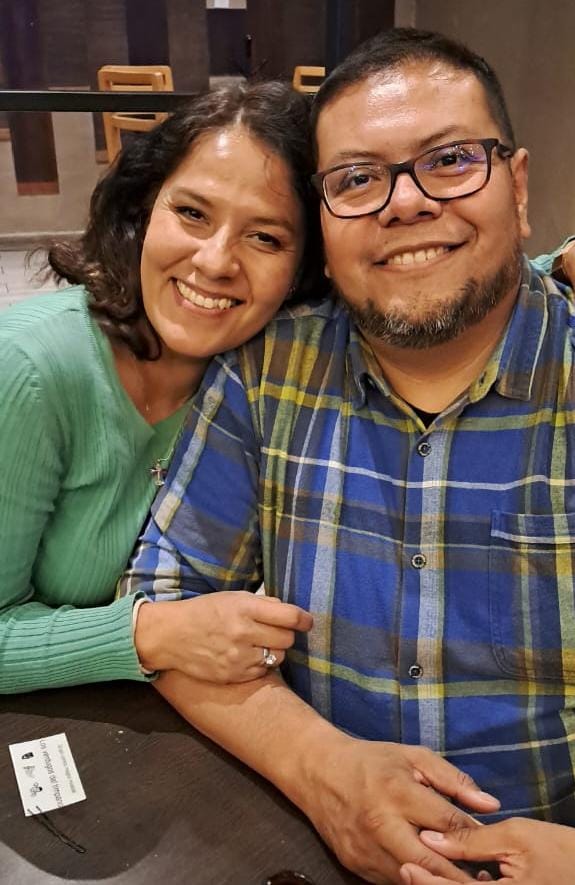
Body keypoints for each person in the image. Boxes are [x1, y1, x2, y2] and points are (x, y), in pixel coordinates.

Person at [119, 28, 575, 885]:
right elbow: (170, 599)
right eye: (357, 179)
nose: (403, 203)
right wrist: (320, 766)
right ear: (322, 231)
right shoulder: (269, 369)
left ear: (516, 187)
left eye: (449, 160)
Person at [0, 80, 322, 695]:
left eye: (265, 237)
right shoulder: (30, 370)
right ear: (145, 210)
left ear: (304, 267)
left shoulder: (262, 374)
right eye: (193, 213)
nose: (215, 262)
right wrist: (151, 633)